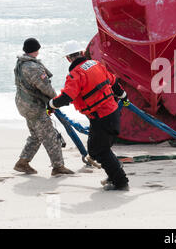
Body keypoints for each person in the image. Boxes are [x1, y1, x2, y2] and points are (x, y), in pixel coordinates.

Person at [48, 41, 129, 191]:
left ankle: (120, 181)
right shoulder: (96, 64)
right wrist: (124, 97)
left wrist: (51, 104)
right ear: (82, 52)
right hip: (112, 113)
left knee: (99, 151)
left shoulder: (75, 75)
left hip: (101, 117)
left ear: (68, 58)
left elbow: (66, 97)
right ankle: (114, 172)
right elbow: (114, 83)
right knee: (98, 149)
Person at [14, 38, 74, 176]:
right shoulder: (33, 67)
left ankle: (23, 163)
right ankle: (58, 167)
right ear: (36, 49)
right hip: (34, 107)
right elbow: (45, 87)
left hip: (23, 105)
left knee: (36, 135)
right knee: (51, 136)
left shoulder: (20, 63)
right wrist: (57, 100)